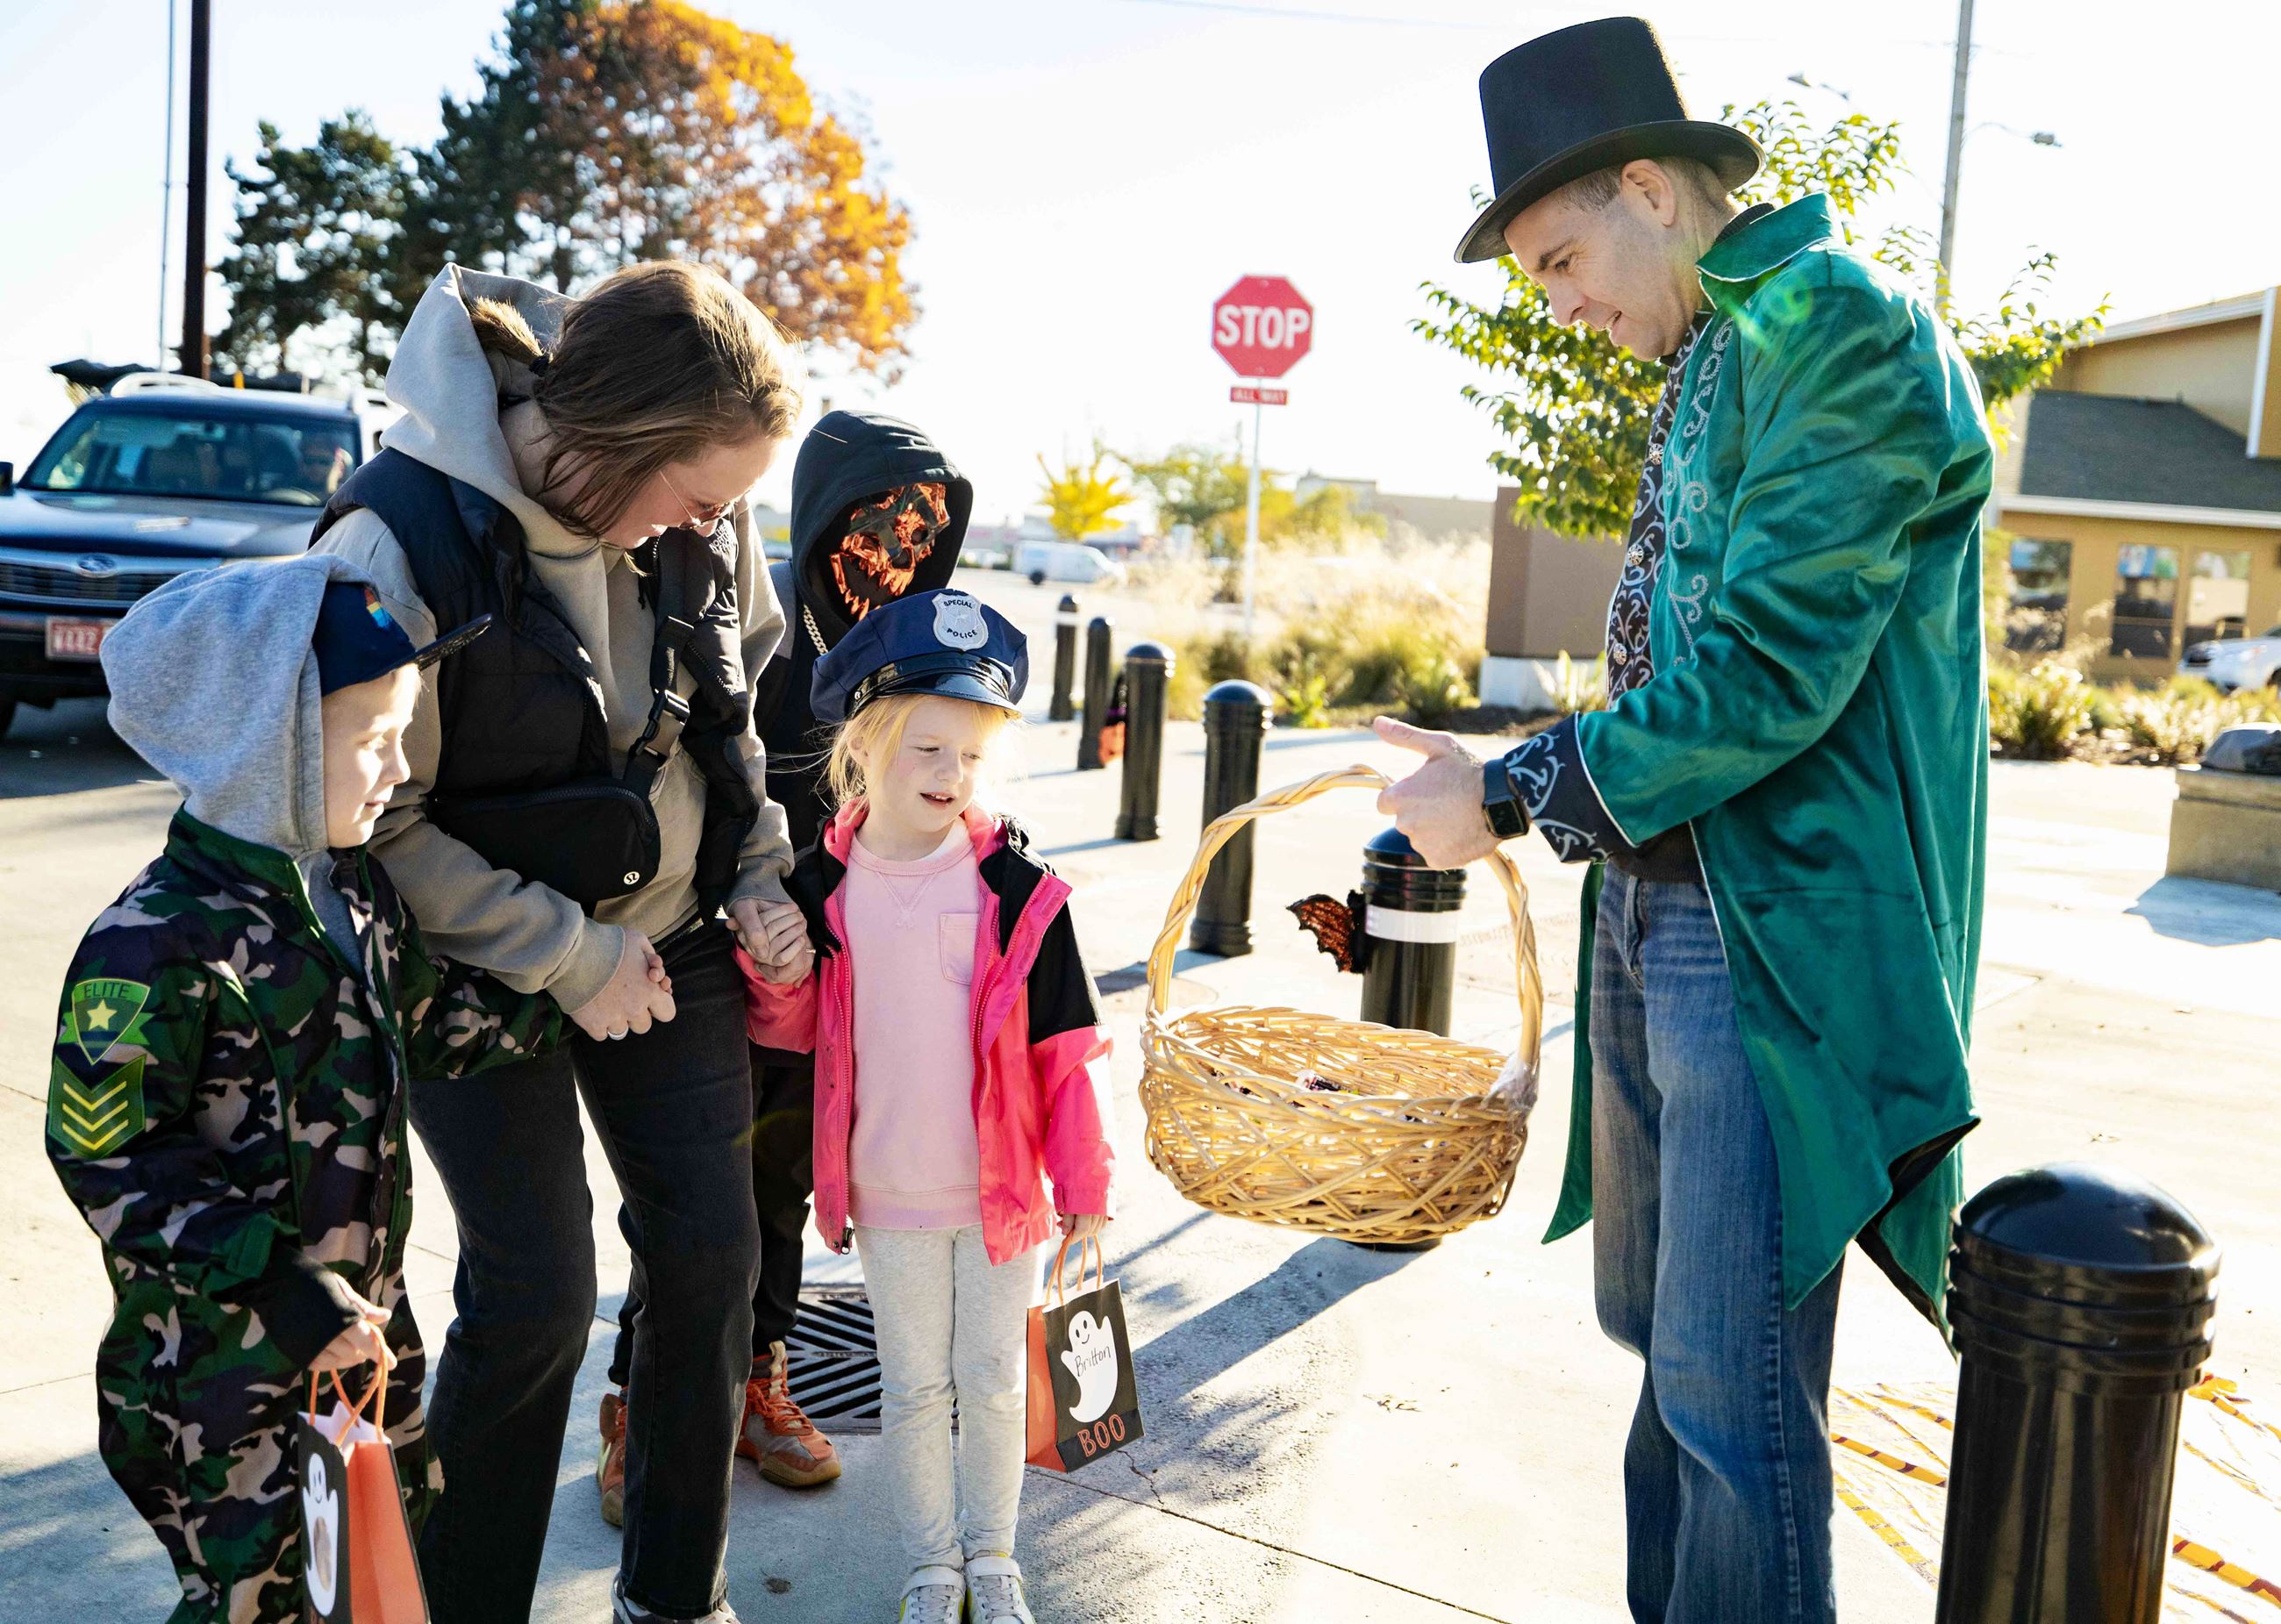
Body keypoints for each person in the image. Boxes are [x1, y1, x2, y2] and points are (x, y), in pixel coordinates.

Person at [1376, 18, 1994, 1623]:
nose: (1565, 306)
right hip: (1663, 912)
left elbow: (1771, 672)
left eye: (1566, 258)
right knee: (1666, 1356)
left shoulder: (1835, 324)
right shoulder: (1723, 342)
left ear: (1650, 185)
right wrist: (1520, 775)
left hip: (1771, 936)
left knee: (1732, 1399)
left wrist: (1509, 790)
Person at [309, 260, 812, 1624]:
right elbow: (371, 822)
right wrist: (567, 955)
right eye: (703, 495)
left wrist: (761, 877)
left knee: (713, 1254)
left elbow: (734, 719)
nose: (717, 524)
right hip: (477, 963)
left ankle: (675, 1598)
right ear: (611, 443)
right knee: (536, 1290)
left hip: (675, 932)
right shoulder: (398, 538)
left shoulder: (709, 516)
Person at [44, 554, 566, 1624]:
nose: (394, 771)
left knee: (367, 1581)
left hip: (363, 1344)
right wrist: (278, 1286)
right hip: (221, 1375)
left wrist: (587, 1001)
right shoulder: (149, 947)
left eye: (400, 739)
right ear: (259, 742)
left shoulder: (354, 893)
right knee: (250, 1599)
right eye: (370, 743)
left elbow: (430, 1021)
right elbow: (108, 1158)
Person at [601, 411, 974, 1506]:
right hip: (726, 956)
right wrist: (742, 913)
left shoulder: (917, 650)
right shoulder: (753, 638)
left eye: (923, 529)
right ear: (819, 524)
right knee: (692, 1193)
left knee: (783, 1184)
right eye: (874, 525)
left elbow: (952, 785)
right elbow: (699, 788)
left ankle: (759, 1378)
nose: (896, 550)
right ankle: (641, 1397)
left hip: (847, 980)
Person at [740, 588, 1115, 1624]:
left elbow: (1063, 1052)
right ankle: (928, 1565)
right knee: (912, 1391)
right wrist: (773, 975)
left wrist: (1082, 1181)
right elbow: (794, 1035)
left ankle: (992, 1559)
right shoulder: (821, 886)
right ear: (864, 745)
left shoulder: (1016, 889)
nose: (950, 777)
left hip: (1001, 1197)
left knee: (993, 1385)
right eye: (926, 749)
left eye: (968, 757)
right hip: (888, 1190)